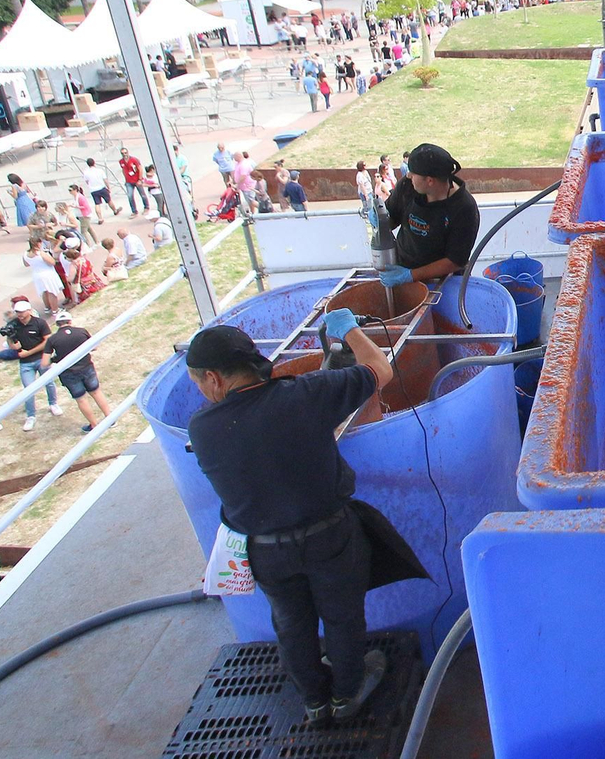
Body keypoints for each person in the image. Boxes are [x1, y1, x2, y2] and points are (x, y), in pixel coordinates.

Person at [184, 320, 426, 724]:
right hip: (328, 536)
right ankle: (346, 695)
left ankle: (314, 701)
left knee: (291, 624)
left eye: (198, 384)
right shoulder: (308, 394)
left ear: (212, 377)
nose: (202, 393)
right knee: (342, 618)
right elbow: (380, 369)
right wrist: (348, 330)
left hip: (263, 551)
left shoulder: (202, 428)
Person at [378, 143, 480, 288]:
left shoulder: (464, 208)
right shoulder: (408, 186)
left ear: (430, 180)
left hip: (444, 281)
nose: (408, 175)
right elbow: (392, 219)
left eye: (413, 172)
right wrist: (381, 220)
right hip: (402, 268)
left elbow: (455, 261)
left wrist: (411, 275)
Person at [0, 299, 60, 430]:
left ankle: (53, 404)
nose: (19, 315)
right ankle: (31, 416)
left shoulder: (39, 323)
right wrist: (11, 341)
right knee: (28, 389)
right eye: (17, 312)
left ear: (29, 311)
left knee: (49, 382)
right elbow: (12, 344)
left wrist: (29, 352)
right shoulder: (13, 325)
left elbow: (47, 341)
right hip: (26, 363)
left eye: (22, 312)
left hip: (40, 358)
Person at [46, 311, 113, 433]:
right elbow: (94, 346)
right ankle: (110, 418)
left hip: (69, 373)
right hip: (87, 367)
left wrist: (55, 358)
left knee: (81, 399)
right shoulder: (81, 331)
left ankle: (94, 425)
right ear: (70, 322)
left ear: (57, 324)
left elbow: (45, 363)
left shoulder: (52, 339)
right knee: (96, 392)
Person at [24, 238, 62, 315]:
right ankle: (55, 310)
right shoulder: (41, 254)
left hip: (36, 274)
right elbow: (52, 262)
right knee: (51, 292)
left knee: (44, 291)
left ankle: (47, 307)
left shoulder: (26, 254)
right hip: (47, 274)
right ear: (38, 243)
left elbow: (26, 264)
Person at [118, 147, 150, 215]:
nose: (124, 154)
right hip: (129, 181)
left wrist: (140, 179)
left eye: (125, 153)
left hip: (136, 180)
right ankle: (134, 211)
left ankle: (146, 207)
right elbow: (123, 170)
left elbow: (140, 169)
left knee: (142, 194)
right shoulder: (121, 162)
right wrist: (125, 179)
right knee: (130, 196)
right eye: (122, 153)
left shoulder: (134, 160)